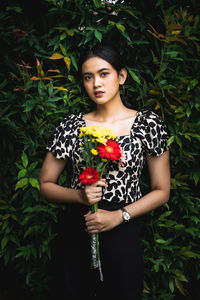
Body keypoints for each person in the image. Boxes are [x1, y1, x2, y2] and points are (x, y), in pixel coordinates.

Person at [39, 43, 170, 300]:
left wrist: (119, 216)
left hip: (124, 227)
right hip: (79, 226)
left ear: (121, 76)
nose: (96, 83)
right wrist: (80, 197)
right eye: (88, 77)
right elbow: (45, 184)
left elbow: (162, 190)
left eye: (103, 74)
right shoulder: (72, 126)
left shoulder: (148, 124)